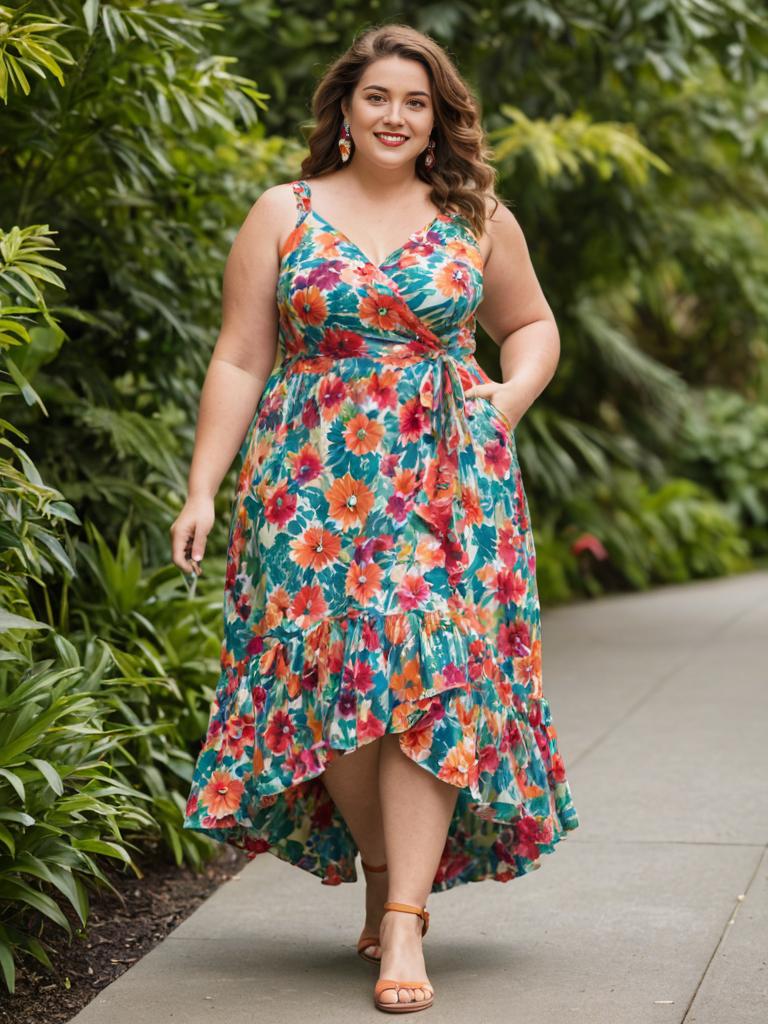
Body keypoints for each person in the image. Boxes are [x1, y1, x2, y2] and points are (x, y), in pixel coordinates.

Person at [170, 23, 580, 1014]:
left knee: (428, 666)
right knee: (331, 684)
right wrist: (201, 485)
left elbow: (529, 325)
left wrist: (511, 395)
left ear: (437, 119)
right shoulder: (285, 211)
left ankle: (405, 915)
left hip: (450, 481)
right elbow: (238, 355)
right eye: (378, 99)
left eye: (416, 102)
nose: (396, 117)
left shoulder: (476, 213)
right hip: (310, 482)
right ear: (345, 112)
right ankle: (379, 857)